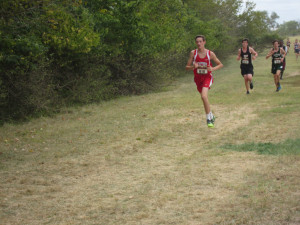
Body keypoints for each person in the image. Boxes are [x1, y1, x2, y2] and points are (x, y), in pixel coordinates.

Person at [186, 35, 223, 128]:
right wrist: (193, 67)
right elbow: (187, 67)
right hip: (198, 79)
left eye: (200, 41)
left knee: (203, 96)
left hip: (207, 77)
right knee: (204, 98)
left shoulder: (210, 54)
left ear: (204, 42)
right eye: (197, 42)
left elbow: (220, 64)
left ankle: (208, 119)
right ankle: (211, 115)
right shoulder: (193, 53)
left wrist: (212, 68)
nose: (199, 43)